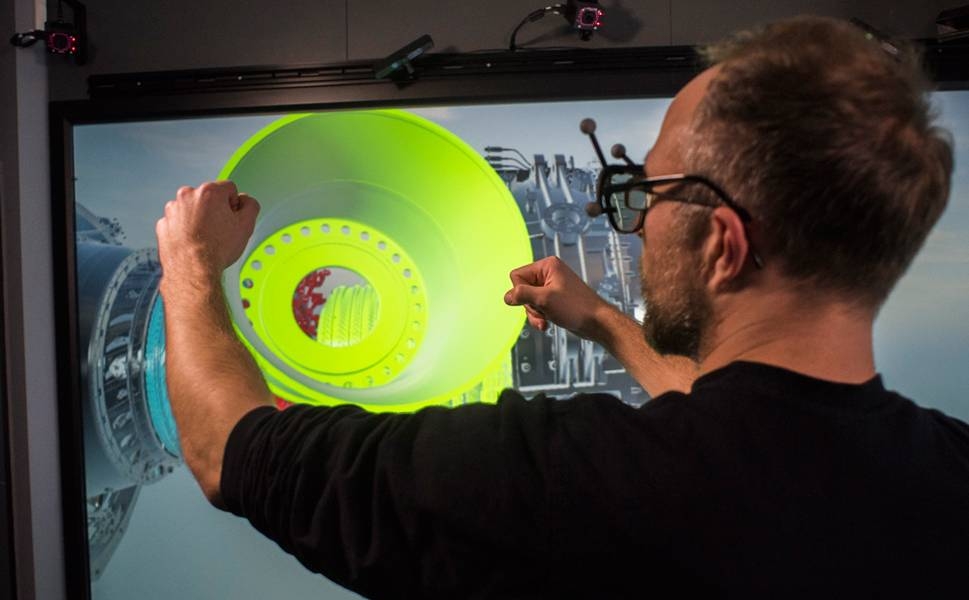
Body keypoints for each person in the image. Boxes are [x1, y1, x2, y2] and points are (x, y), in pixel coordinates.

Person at [155, 16, 968, 599]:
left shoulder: (559, 484)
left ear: (723, 246)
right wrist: (607, 324)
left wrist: (191, 264)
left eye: (646, 195)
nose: (635, 224)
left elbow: (229, 452)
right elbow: (754, 439)